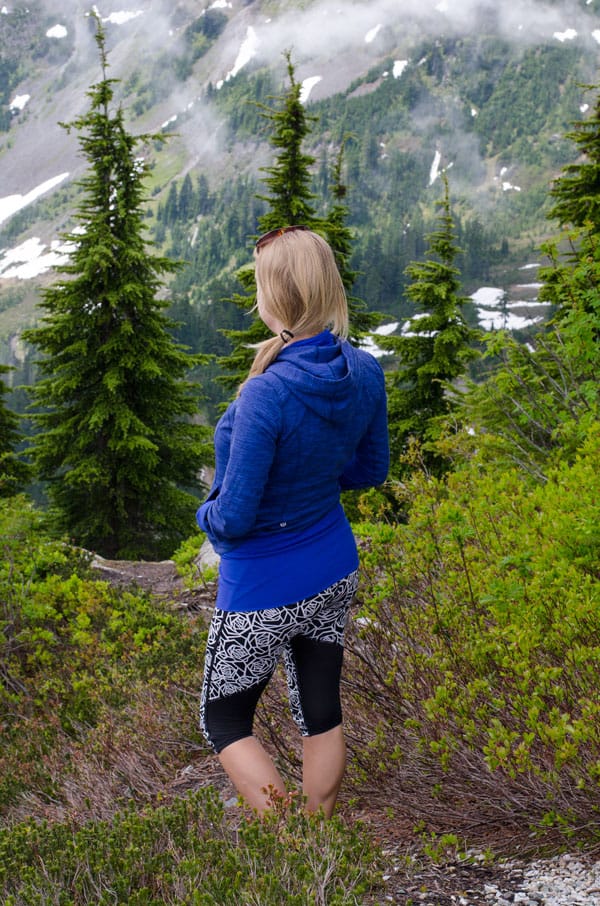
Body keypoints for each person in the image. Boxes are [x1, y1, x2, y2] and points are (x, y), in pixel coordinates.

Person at [197, 225, 389, 817]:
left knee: (224, 717)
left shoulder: (265, 394)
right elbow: (369, 471)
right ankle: (317, 835)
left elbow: (232, 520)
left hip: (262, 586)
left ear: (274, 298)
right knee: (319, 709)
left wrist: (203, 509)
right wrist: (312, 481)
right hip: (332, 564)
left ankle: (289, 853)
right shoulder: (364, 370)